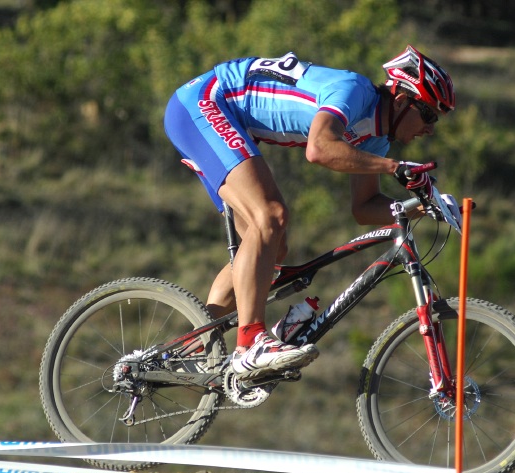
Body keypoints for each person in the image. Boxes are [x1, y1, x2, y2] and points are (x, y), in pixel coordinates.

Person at [163, 45, 455, 383]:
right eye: (430, 115)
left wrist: (425, 207)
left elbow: (365, 207)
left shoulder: (375, 141)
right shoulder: (355, 90)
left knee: (273, 246)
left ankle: (196, 347)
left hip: (220, 119)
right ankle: (250, 343)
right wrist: (396, 168)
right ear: (403, 101)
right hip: (204, 103)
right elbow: (319, 149)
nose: (431, 129)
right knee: (270, 216)